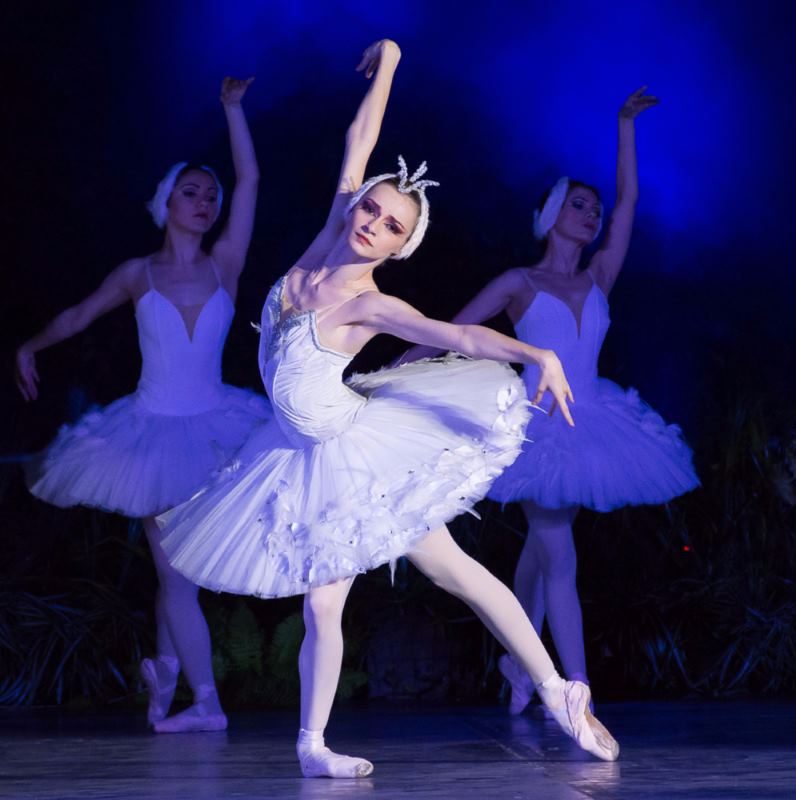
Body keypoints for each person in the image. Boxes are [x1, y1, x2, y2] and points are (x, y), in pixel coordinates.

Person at [157, 40, 619, 777]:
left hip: (352, 455)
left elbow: (458, 335)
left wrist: (537, 353)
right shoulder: (325, 239)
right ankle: (313, 746)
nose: (372, 223)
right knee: (333, 602)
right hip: (297, 450)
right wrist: (393, 63)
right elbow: (361, 139)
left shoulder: (370, 301)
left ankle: (559, 690)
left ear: (402, 247)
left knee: (449, 572)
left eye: (392, 225)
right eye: (370, 208)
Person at [399, 87, 699, 714]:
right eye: (579, 205)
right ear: (553, 212)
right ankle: (573, 691)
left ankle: (517, 661)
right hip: (535, 428)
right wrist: (391, 370)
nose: (592, 214)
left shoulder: (599, 276)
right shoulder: (519, 281)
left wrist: (624, 125)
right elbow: (453, 330)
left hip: (594, 423)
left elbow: (629, 203)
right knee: (558, 548)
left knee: (544, 547)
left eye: (594, 209)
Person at [16, 77, 270, 732]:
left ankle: (167, 676)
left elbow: (249, 181)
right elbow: (78, 315)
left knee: (178, 572)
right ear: (165, 202)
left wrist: (233, 110)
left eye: (209, 196)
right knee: (177, 572)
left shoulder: (225, 263)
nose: (205, 202)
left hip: (216, 430)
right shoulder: (138, 273)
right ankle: (202, 702)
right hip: (152, 434)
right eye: (192, 192)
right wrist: (30, 347)